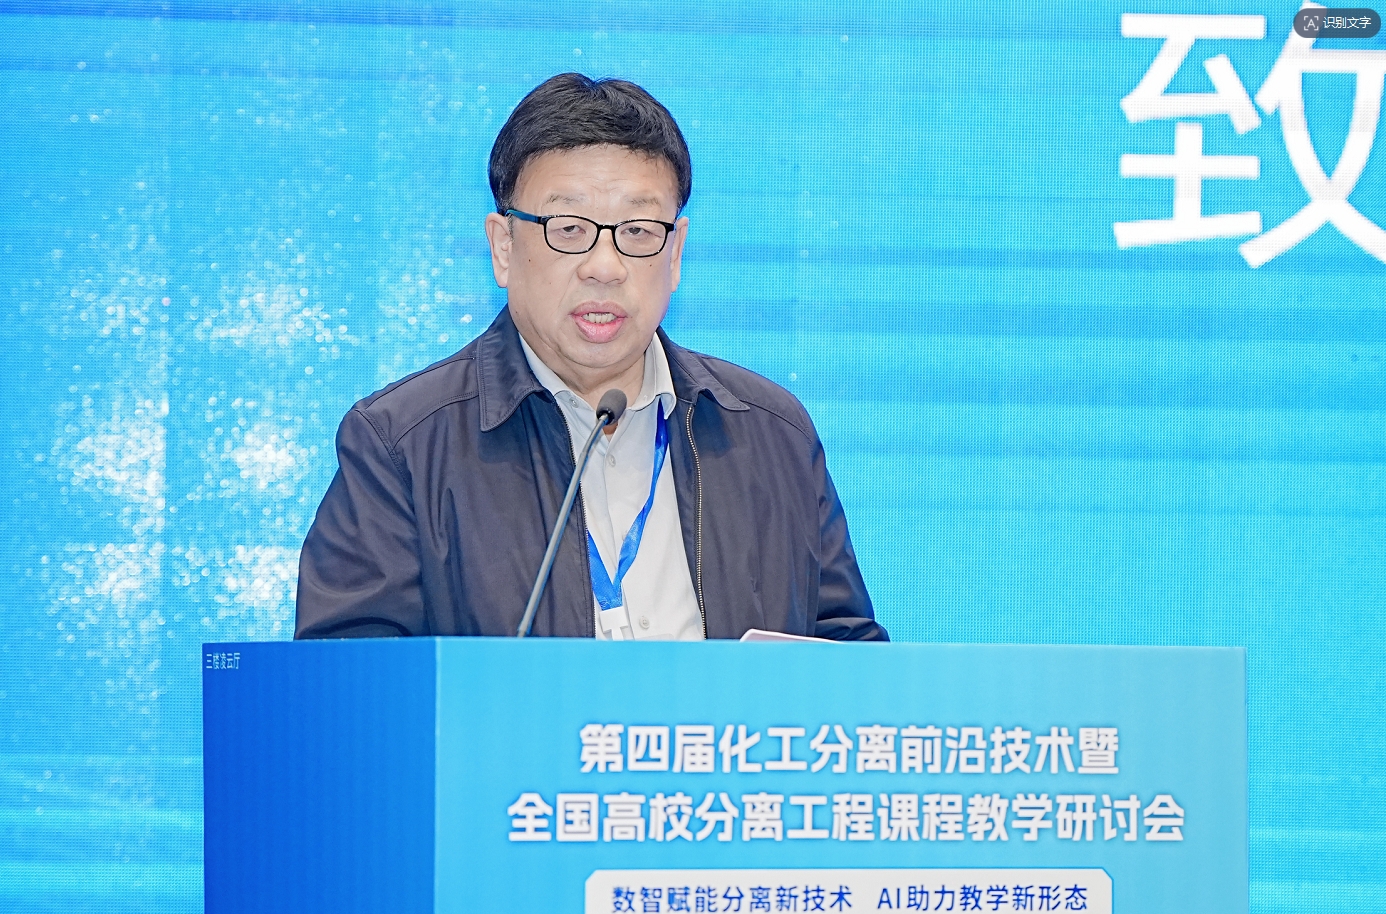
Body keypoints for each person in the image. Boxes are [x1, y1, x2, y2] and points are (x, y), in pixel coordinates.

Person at [294, 73, 886, 642]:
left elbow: (846, 655)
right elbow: (350, 683)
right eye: (570, 228)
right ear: (503, 247)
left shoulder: (770, 433)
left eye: (638, 230)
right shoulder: (402, 445)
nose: (605, 266)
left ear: (675, 253)